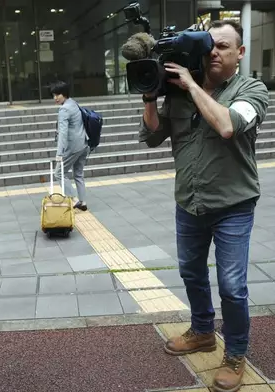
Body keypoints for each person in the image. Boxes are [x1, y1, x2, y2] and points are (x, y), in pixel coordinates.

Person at [139, 20, 270, 392]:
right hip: (189, 202)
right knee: (191, 272)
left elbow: (228, 125)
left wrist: (193, 85)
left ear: (240, 53)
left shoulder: (252, 89)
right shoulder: (178, 93)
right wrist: (151, 94)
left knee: (231, 285)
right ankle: (201, 331)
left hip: (233, 204)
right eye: (209, 45)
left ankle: (235, 353)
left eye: (224, 47)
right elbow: (151, 135)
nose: (214, 52)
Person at [51, 81, 89, 211]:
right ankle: (83, 202)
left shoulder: (64, 109)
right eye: (54, 95)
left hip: (73, 146)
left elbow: (63, 133)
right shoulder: (73, 103)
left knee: (59, 173)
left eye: (58, 95)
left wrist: (59, 153)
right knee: (78, 174)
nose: (55, 98)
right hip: (84, 143)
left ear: (65, 94)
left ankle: (74, 199)